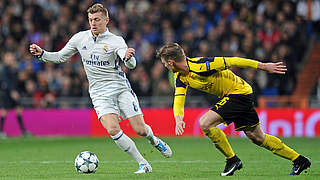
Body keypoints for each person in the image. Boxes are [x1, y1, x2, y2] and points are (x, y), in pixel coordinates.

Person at [29, 3, 171, 174]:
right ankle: (143, 163)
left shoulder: (116, 41)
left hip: (120, 89)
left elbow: (130, 64)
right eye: (90, 20)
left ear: (106, 20)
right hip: (99, 93)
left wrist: (128, 58)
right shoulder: (80, 38)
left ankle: (154, 140)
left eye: (97, 19)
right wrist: (42, 54)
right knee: (112, 129)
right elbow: (60, 57)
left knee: (140, 130)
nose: (93, 23)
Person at [157, 43, 311, 176]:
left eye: (165, 63)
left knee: (205, 123)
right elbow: (178, 99)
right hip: (239, 94)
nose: (165, 66)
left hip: (238, 93)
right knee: (257, 137)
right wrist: (178, 119)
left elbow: (234, 60)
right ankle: (299, 160)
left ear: (171, 62)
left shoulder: (202, 65)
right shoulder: (181, 76)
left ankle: (232, 160)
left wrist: (264, 66)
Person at [0, 52, 32, 138]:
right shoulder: (4, 69)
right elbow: (5, 82)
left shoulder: (14, 69)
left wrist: (23, 81)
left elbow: (16, 82)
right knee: (4, 112)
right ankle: (1, 131)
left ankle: (23, 131)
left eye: (11, 58)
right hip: (6, 94)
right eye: (9, 58)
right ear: (5, 59)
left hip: (14, 93)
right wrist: (12, 92)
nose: (10, 60)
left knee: (18, 111)